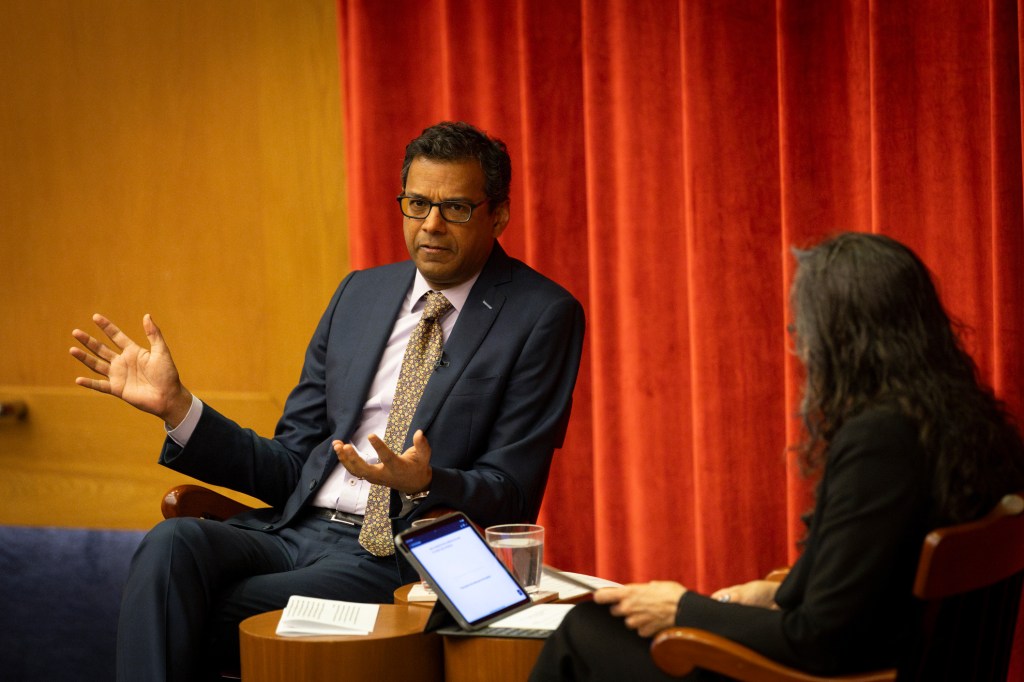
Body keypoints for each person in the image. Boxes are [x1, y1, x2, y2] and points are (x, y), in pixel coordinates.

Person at [70, 121, 586, 682]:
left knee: (202, 611)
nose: (431, 225)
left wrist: (425, 480)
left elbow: (512, 492)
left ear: (498, 215)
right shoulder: (360, 294)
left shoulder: (541, 315)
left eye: (456, 208)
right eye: (417, 204)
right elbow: (290, 463)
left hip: (393, 553)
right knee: (172, 544)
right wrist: (178, 409)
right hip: (296, 531)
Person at [529, 232, 1024, 681]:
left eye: (802, 327)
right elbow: (868, 577)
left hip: (834, 674)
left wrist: (682, 609)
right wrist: (770, 594)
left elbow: (820, 640)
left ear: (844, 339)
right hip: (882, 656)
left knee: (582, 629)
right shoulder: (962, 423)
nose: (800, 346)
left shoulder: (881, 442)